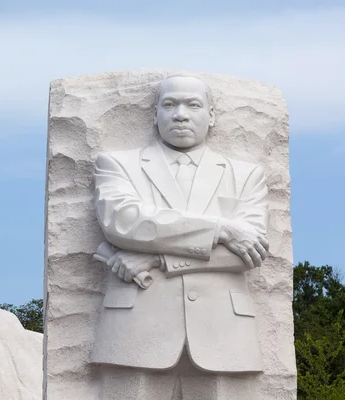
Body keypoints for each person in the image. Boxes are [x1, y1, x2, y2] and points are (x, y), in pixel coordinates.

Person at [91, 75, 270, 399]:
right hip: (135, 333)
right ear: (154, 114)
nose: (181, 114)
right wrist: (221, 228)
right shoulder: (118, 164)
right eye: (170, 105)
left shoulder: (245, 175)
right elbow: (126, 223)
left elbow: (246, 253)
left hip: (223, 334)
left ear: (212, 114)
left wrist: (156, 258)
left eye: (193, 105)